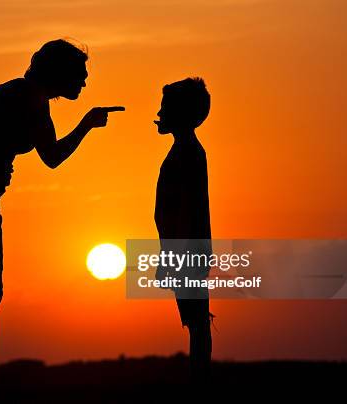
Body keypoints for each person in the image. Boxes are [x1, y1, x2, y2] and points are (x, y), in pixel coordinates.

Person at [0, 39, 124, 389]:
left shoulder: (17, 92)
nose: (84, 81)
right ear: (61, 74)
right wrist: (86, 125)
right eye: (80, 75)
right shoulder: (30, 102)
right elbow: (52, 157)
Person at [153, 77, 214, 383]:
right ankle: (198, 378)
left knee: (197, 321)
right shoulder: (184, 150)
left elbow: (187, 209)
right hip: (183, 249)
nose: (160, 113)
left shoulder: (189, 152)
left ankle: (199, 382)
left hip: (186, 250)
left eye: (165, 107)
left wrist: (174, 258)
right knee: (195, 320)